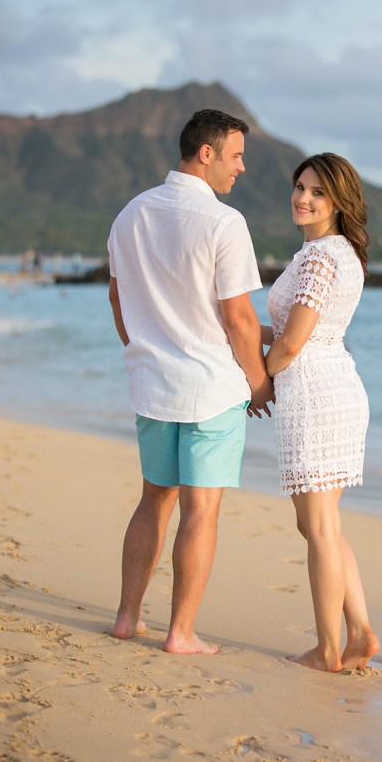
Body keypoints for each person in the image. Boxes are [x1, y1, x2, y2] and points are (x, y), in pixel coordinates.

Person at [107, 108, 274, 654]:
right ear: (207, 153)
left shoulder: (130, 214)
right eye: (236, 155)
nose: (241, 168)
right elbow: (239, 319)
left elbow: (118, 298)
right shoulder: (225, 222)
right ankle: (181, 633)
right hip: (210, 388)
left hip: (153, 384)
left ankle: (127, 618)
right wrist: (258, 382)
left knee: (154, 498)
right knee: (201, 509)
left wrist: (139, 351)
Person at [263, 153, 379, 672]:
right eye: (299, 187)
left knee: (319, 528)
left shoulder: (318, 258)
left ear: (338, 202)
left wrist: (255, 380)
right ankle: (359, 634)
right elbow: (298, 335)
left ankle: (328, 649)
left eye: (316, 192)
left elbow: (291, 343)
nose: (302, 198)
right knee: (323, 527)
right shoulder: (340, 253)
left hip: (314, 394)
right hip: (333, 386)